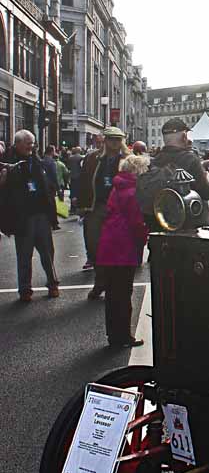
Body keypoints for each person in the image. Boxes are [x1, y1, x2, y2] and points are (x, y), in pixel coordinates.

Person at [95, 154, 150, 348]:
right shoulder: (134, 191)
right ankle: (123, 337)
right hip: (123, 246)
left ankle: (114, 335)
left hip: (109, 244)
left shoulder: (119, 186)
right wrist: (145, 237)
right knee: (123, 294)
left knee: (112, 294)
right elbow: (137, 223)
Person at [0, 129, 60, 301]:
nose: (31, 147)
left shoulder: (37, 161)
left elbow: (47, 186)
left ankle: (53, 283)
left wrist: (52, 214)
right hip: (22, 216)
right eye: (28, 143)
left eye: (32, 143)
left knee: (47, 253)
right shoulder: (7, 163)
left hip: (41, 214)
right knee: (24, 255)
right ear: (17, 143)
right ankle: (25, 290)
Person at [78, 127, 129, 297]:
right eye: (111, 139)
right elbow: (83, 181)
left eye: (118, 139)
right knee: (94, 247)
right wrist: (81, 204)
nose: (115, 143)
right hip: (96, 207)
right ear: (105, 140)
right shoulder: (92, 158)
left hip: (119, 210)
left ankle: (114, 285)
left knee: (116, 248)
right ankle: (100, 282)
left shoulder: (128, 160)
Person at [151, 117, 209, 225]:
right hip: (190, 222)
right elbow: (207, 193)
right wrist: (208, 177)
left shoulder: (155, 160)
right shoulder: (190, 159)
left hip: (164, 221)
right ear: (184, 136)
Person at [67, 147, 84, 212]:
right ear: (80, 151)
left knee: (72, 192)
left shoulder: (70, 158)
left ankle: (72, 207)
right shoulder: (82, 158)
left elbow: (68, 167)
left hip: (72, 177)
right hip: (79, 178)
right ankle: (78, 207)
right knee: (78, 193)